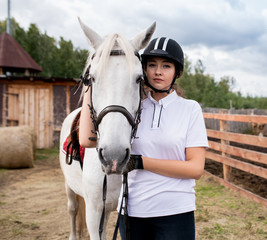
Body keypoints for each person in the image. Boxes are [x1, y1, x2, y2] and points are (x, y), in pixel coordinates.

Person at [79, 37, 208, 240]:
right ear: (143, 69)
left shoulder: (190, 109)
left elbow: (196, 169)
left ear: (177, 72)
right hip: (133, 212)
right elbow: (86, 140)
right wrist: (92, 81)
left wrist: (140, 162)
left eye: (166, 66)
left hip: (176, 211)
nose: (158, 71)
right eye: (152, 65)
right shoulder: (133, 109)